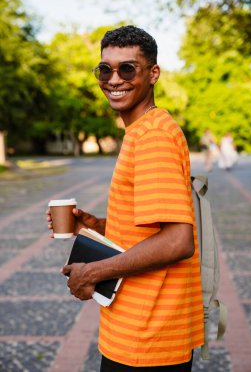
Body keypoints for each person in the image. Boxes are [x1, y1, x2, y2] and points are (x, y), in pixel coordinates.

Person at [47, 25, 204, 371]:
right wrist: (95, 226)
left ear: (153, 73)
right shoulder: (143, 131)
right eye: (105, 69)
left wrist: (93, 272)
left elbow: (179, 241)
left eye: (128, 68)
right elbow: (151, 230)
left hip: (147, 337)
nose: (114, 79)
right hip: (140, 331)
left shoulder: (153, 138)